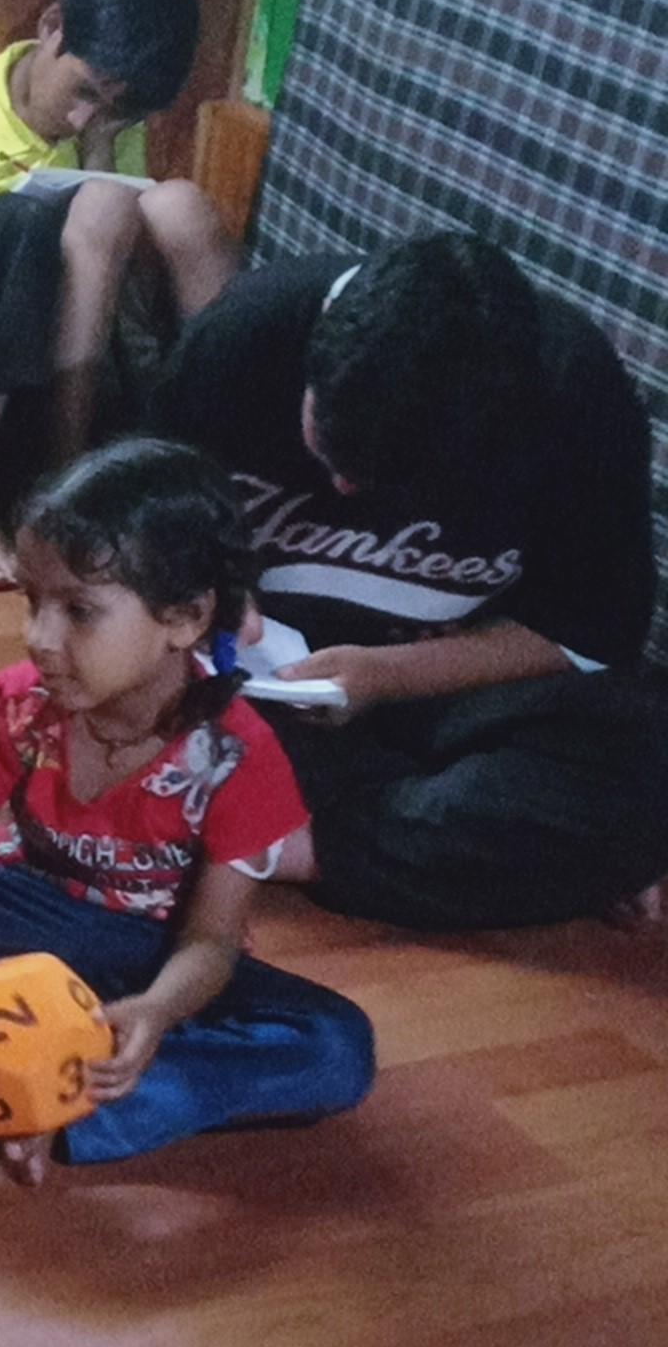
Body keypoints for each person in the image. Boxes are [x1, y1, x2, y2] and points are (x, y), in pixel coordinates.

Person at [0, 438, 376, 1176]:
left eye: (80, 612)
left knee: (337, 1046)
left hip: (139, 967)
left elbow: (212, 944)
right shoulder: (14, 706)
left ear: (186, 618)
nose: (40, 637)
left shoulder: (238, 759)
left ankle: (50, 1095)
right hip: (20, 930)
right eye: (35, 603)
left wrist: (157, 1013)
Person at [153, 234, 668, 931]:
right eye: (329, 449)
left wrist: (388, 675)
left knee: (643, 763)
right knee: (145, 703)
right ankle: (444, 847)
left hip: (450, 687)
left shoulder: (573, 391)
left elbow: (594, 632)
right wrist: (218, 591)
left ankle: (286, 845)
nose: (343, 487)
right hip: (255, 691)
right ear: (314, 366)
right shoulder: (250, 333)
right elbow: (130, 527)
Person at [0, 0, 236, 556]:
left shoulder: (109, 129)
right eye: (83, 91)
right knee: (102, 208)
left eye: (114, 109)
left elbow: (122, 232)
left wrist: (101, 150)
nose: (85, 118)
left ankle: (228, 461)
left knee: (180, 205)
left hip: (98, 350)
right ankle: (70, 485)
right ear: (52, 26)